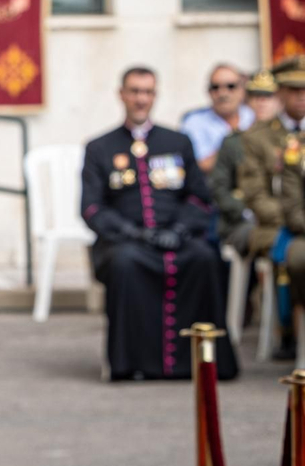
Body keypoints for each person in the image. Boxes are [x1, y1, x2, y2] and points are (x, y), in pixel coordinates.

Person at [80, 66, 237, 380]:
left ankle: (202, 363)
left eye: (148, 92)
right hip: (127, 242)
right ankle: (132, 364)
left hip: (176, 237)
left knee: (205, 259)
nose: (141, 99)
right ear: (122, 95)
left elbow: (199, 198)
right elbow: (92, 208)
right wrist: (132, 232)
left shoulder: (178, 142)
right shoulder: (99, 147)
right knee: (125, 263)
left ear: (155, 96)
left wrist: (179, 230)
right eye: (135, 91)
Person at [247, 57, 305, 357]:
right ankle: (288, 331)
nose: (301, 96)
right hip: (273, 223)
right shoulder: (257, 137)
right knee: (288, 253)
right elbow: (254, 194)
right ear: (280, 92)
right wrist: (292, 217)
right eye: (294, 90)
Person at [211, 69, 274, 255]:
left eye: (268, 96)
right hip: (244, 221)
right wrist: (247, 212)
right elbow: (219, 188)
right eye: (255, 96)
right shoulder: (234, 141)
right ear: (247, 100)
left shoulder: (291, 141)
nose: (262, 102)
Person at [179, 62, 254, 171]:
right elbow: (198, 166)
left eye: (231, 86)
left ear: (242, 90)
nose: (223, 93)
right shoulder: (194, 123)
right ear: (209, 92)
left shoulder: (252, 116)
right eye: (215, 87)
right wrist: (233, 145)